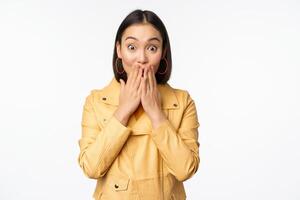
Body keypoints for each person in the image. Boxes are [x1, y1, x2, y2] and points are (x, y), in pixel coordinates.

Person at [77, 9, 200, 200]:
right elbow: (91, 168)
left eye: (152, 48)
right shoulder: (95, 101)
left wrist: (156, 113)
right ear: (119, 49)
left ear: (163, 52)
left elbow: (186, 169)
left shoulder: (182, 102)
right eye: (132, 47)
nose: (141, 58)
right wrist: (123, 111)